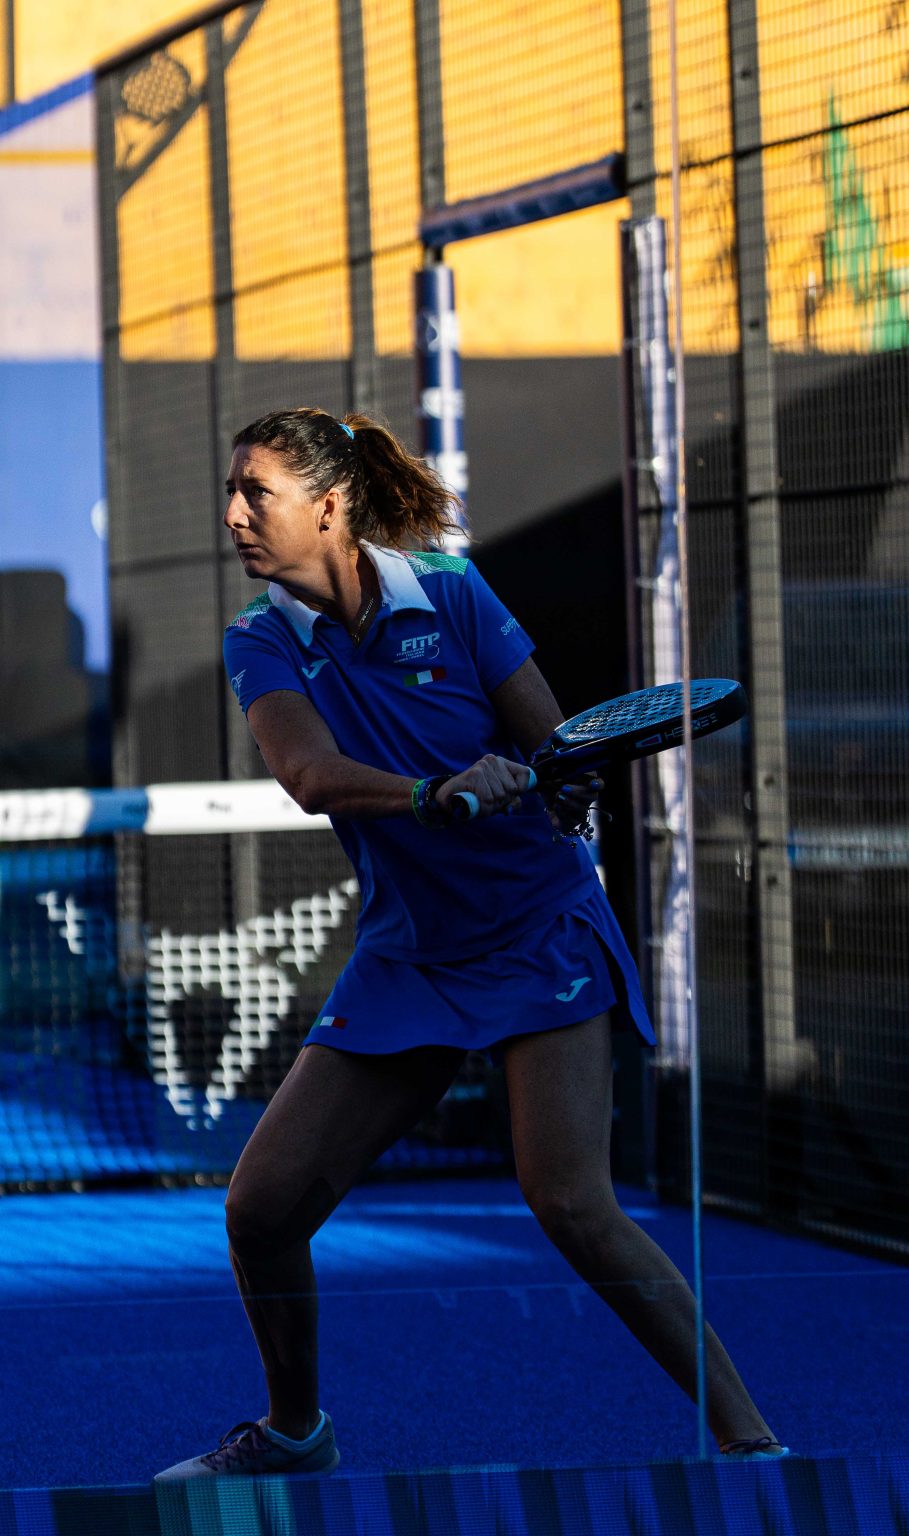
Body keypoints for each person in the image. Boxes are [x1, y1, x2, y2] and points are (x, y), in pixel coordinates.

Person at [153, 408, 789, 1481]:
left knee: (570, 1200)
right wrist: (432, 791)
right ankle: (297, 1432)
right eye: (232, 491)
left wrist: (557, 785)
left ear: (328, 504)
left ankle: (749, 1439)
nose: (232, 514)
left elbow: (555, 747)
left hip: (539, 931)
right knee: (260, 1211)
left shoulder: (451, 593)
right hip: (409, 955)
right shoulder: (259, 639)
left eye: (254, 492)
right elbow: (308, 776)